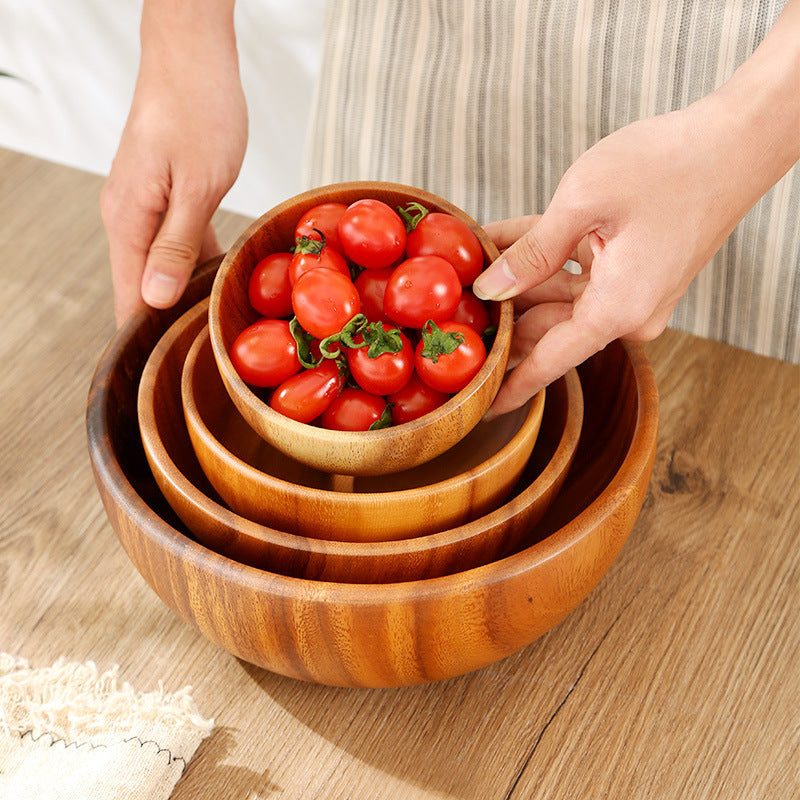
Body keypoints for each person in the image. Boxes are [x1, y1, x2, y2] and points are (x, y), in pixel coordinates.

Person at [101, 0, 800, 417]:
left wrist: (747, 129)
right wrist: (180, 37)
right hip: (422, 47)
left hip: (739, 93)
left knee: (727, 417)